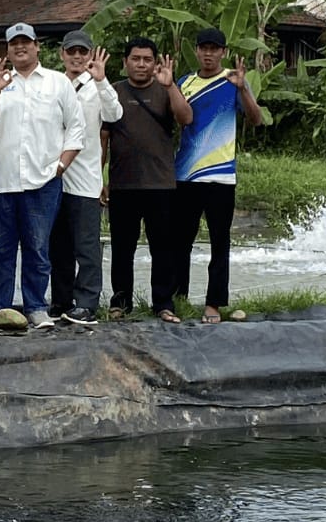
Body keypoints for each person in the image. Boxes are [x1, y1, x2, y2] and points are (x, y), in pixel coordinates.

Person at [0, 23, 84, 330]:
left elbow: (75, 130)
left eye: (25, 42)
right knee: (0, 251)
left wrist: (60, 167)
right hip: (3, 179)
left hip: (43, 180)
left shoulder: (57, 82)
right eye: (14, 44)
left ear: (37, 46)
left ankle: (37, 307)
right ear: (8, 50)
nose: (20, 48)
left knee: (38, 248)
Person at [174, 27, 265, 325]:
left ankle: (214, 303)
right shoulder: (184, 82)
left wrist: (243, 89)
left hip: (221, 177)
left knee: (219, 242)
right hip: (186, 175)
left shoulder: (233, 81)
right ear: (197, 51)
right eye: (204, 48)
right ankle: (178, 297)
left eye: (214, 49)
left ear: (223, 52)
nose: (209, 53)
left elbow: (256, 119)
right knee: (180, 241)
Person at [101, 37, 193, 322]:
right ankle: (120, 302)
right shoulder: (112, 92)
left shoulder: (165, 91)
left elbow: (186, 118)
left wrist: (171, 86)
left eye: (147, 59)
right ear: (125, 62)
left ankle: (163, 304)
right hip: (122, 184)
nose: (141, 64)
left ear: (155, 63)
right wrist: (99, 179)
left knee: (163, 248)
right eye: (136, 59)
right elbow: (103, 139)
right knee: (122, 248)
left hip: (161, 184)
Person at [47, 30, 123, 327]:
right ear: (62, 55)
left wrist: (101, 79)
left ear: (90, 54)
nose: (77, 57)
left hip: (86, 179)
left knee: (87, 246)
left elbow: (115, 115)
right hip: (52, 178)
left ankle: (87, 303)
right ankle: (61, 301)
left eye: (82, 52)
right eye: (71, 52)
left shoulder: (97, 87)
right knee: (58, 246)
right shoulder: (52, 85)